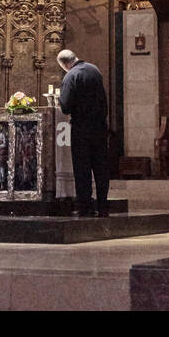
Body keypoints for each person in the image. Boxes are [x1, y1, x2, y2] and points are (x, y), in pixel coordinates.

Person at [57, 49, 109, 217]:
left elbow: (65, 106)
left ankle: (85, 206)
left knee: (83, 169)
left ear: (65, 64)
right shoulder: (95, 70)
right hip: (100, 127)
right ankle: (103, 206)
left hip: (81, 128)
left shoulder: (70, 76)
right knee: (101, 168)